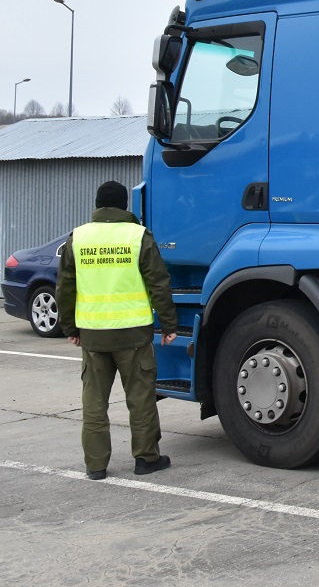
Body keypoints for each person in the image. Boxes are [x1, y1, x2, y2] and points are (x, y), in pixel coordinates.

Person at [57, 181, 178, 480]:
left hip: (93, 336)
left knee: (94, 404)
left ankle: (96, 466)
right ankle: (146, 459)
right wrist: (168, 324)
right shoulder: (138, 236)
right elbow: (159, 283)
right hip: (134, 336)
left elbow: (65, 288)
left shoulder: (79, 238)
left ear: (98, 205)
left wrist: (70, 327)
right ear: (125, 206)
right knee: (140, 400)